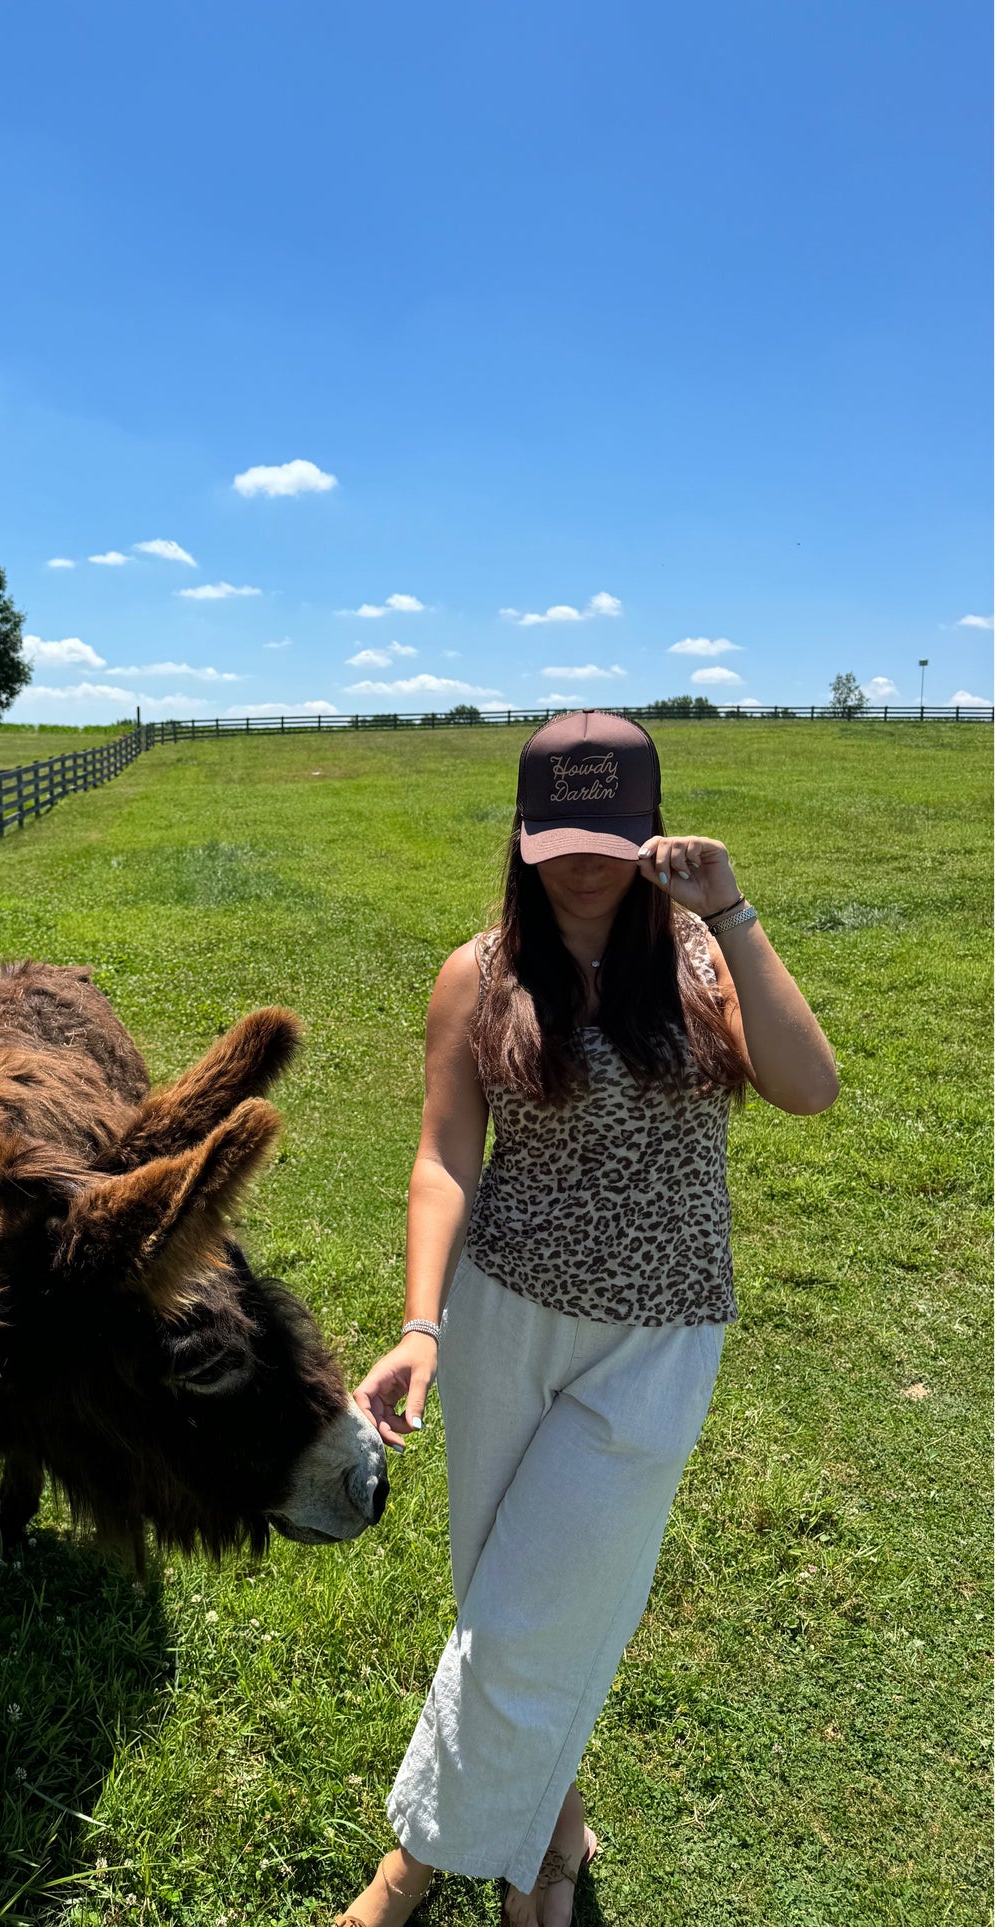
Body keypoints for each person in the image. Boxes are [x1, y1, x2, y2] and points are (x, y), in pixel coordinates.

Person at [334, 710, 838, 1927]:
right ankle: (549, 1842)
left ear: (652, 828)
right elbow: (445, 1155)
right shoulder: (479, 971)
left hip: (658, 1335)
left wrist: (730, 911)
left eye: (609, 835)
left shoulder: (708, 958)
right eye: (557, 833)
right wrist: (420, 1324)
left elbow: (809, 1088)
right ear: (520, 830)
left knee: (534, 1609)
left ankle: (407, 1869)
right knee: (505, 1597)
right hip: (502, 1313)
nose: (581, 861)